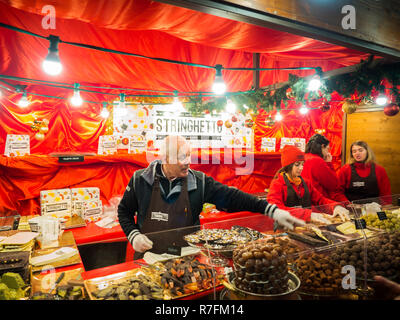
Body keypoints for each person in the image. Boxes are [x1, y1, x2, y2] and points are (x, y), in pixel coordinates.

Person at [118, 135, 305, 258]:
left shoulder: (198, 181)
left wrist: (270, 210)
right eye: (182, 157)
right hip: (148, 258)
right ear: (165, 159)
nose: (188, 162)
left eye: (189, 156)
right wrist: (133, 235)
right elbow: (124, 211)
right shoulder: (140, 180)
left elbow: (232, 197)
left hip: (187, 257)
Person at [267, 145, 350, 223]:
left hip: (305, 227)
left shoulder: (306, 183)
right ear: (288, 166)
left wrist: (335, 207)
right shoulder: (277, 184)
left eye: (303, 164)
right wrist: (308, 214)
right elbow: (275, 209)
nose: (301, 168)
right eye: (297, 165)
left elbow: (321, 200)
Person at [338, 140, 391, 205]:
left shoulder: (380, 170)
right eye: (354, 151)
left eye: (360, 150)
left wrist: (386, 208)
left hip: (374, 210)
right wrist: (347, 204)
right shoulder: (345, 170)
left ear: (367, 152)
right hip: (352, 210)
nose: (357, 153)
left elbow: (386, 195)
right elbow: (338, 192)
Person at [302, 134, 348, 202]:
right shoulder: (317, 161)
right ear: (322, 146)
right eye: (327, 149)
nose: (328, 152)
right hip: (319, 202)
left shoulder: (303, 157)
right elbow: (334, 184)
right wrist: (329, 163)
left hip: (306, 200)